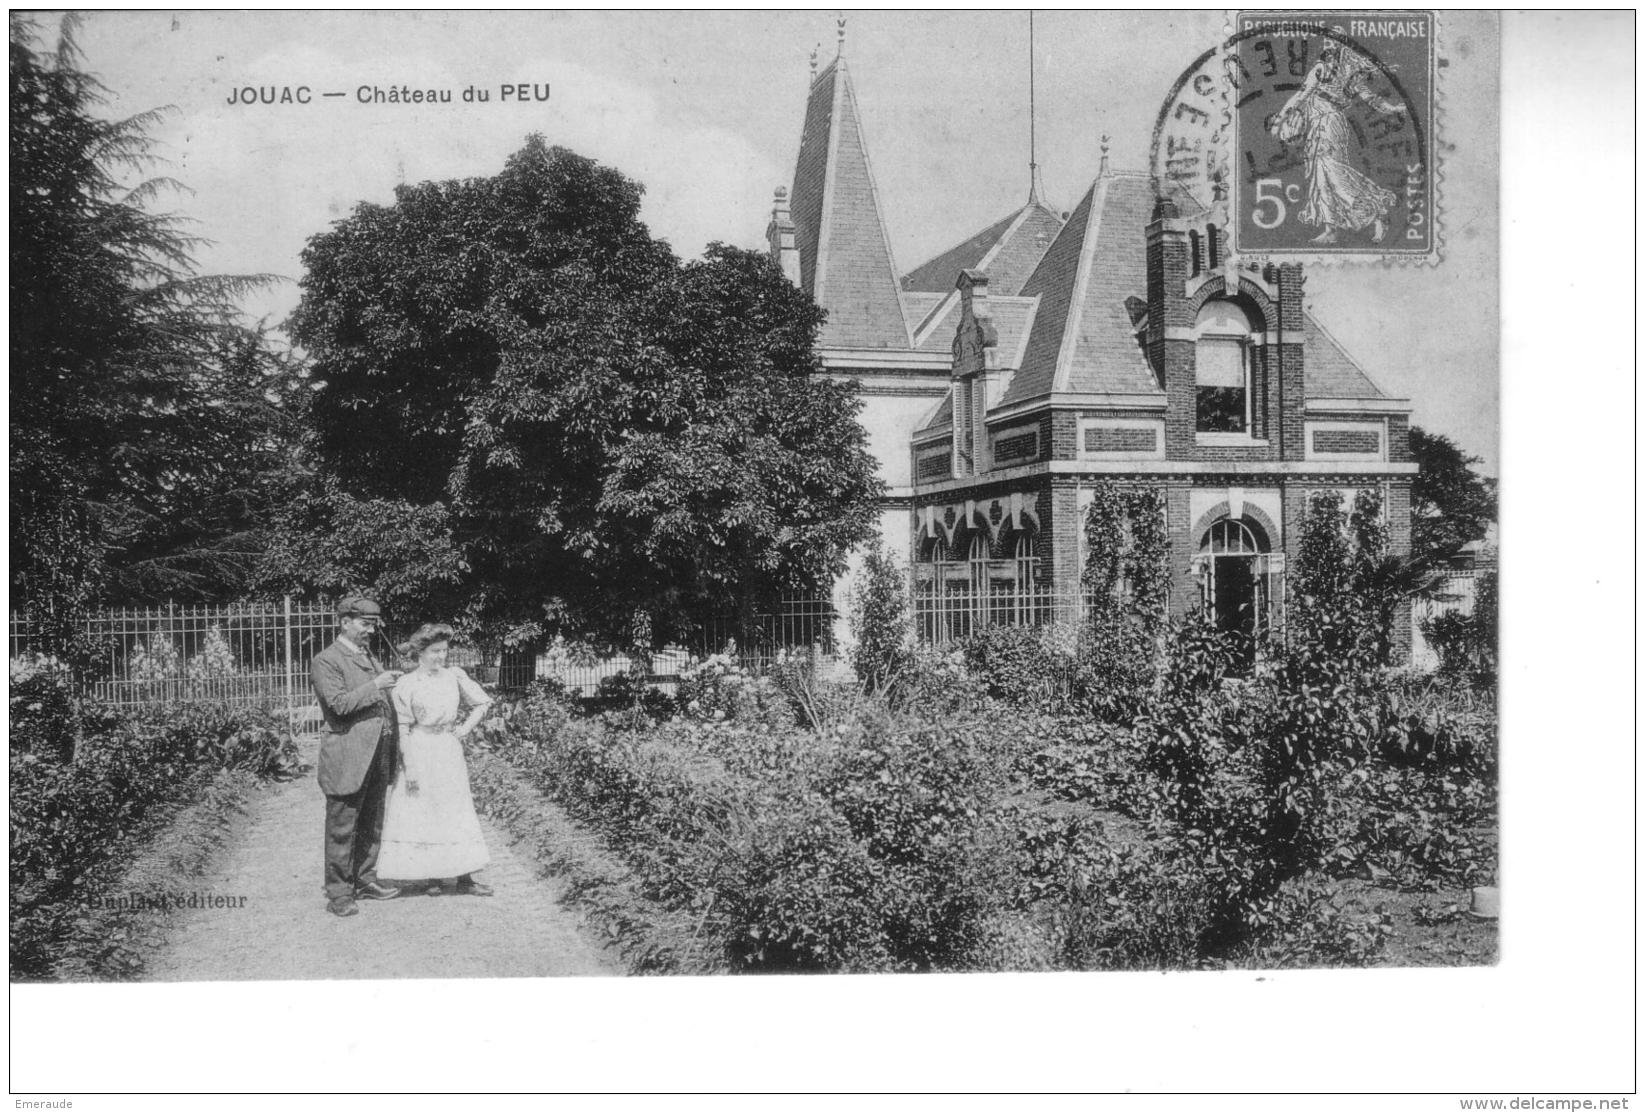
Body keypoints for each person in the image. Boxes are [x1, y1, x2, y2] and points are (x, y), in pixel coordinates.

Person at [375, 623, 496, 897]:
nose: (441, 657)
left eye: (444, 651)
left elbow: (482, 703)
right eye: (434, 651)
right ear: (420, 652)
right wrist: (411, 767)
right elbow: (403, 729)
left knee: (456, 807)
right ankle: (432, 876)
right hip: (420, 747)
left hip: (447, 749)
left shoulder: (454, 676)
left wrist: (463, 729)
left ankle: (465, 876)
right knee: (424, 809)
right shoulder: (406, 684)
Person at [310, 595, 404, 917]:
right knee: (342, 826)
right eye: (365, 624)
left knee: (371, 822)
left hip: (377, 751)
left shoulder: (367, 656)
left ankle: (365, 879)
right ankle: (339, 894)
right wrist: (377, 684)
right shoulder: (327, 660)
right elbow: (338, 705)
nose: (371, 631)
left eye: (373, 625)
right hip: (348, 754)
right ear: (345, 622)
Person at [1269, 42, 1406, 244]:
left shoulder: (1323, 70)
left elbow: (1300, 97)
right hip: (1323, 125)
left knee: (1334, 175)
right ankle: (1331, 229)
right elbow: (1374, 101)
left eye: (1329, 45)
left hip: (1328, 125)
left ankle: (1376, 215)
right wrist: (1392, 108)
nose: (1326, 49)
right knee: (1322, 178)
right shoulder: (1346, 76)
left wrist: (1279, 121)